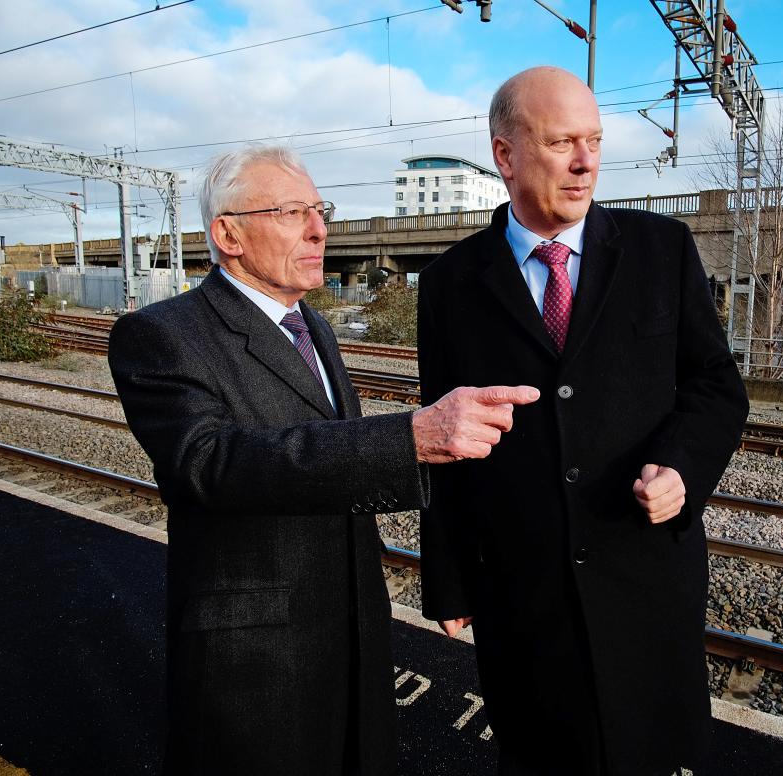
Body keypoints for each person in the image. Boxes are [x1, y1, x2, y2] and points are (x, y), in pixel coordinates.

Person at [108, 145, 537, 775]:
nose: (319, 229)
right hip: (255, 657)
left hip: (352, 631)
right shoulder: (162, 334)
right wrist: (406, 439)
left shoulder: (312, 327)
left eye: (319, 209)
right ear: (228, 234)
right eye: (290, 211)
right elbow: (209, 462)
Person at [417, 67, 749, 776]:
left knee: (652, 752)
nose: (586, 161)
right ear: (505, 155)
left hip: (643, 571)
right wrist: (448, 575)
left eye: (594, 140)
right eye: (562, 141)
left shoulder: (662, 250)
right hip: (522, 591)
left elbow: (717, 386)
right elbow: (442, 436)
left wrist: (683, 468)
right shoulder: (450, 283)